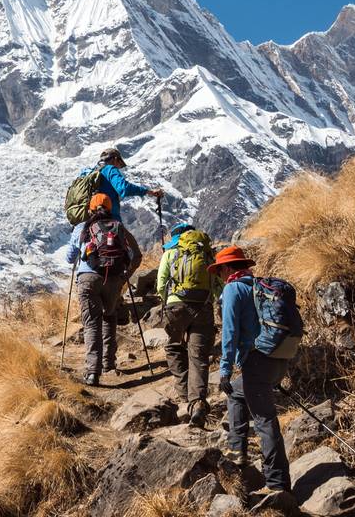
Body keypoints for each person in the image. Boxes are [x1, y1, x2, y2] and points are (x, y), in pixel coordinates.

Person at [215, 245, 292, 502]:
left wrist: (224, 369)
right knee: (237, 394)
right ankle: (237, 452)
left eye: (219, 271)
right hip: (278, 358)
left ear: (227, 268)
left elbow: (230, 332)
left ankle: (277, 483)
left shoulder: (233, 289)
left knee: (264, 419)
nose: (219, 276)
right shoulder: (257, 285)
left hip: (257, 362)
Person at [65, 193, 142, 385]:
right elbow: (136, 255)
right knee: (109, 316)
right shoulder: (118, 227)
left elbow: (69, 257)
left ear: (90, 209)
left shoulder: (82, 228)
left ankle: (93, 372)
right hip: (114, 278)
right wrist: (125, 275)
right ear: (110, 208)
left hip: (88, 278)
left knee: (92, 324)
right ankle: (109, 363)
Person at [155, 221, 221, 428]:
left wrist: (169, 302)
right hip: (203, 306)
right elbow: (218, 285)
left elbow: (160, 284)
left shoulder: (170, 254)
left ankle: (184, 394)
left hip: (176, 306)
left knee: (174, 347)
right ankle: (198, 403)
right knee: (199, 356)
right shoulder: (208, 254)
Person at [80, 148, 163, 225]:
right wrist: (148, 192)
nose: (119, 167)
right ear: (115, 159)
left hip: (87, 221)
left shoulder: (89, 173)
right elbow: (124, 188)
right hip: (108, 220)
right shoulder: (110, 169)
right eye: (120, 164)